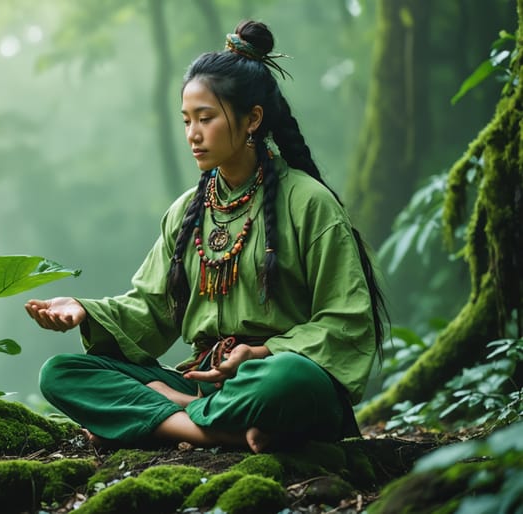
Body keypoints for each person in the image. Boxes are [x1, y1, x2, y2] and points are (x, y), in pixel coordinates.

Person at [25, 20, 387, 454]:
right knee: (61, 373)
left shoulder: (309, 203)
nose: (193, 134)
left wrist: (263, 353)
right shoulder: (185, 212)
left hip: (273, 382)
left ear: (252, 119)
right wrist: (85, 309)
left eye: (206, 118)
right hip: (203, 384)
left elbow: (346, 321)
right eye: (186, 120)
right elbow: (151, 309)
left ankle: (167, 415)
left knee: (288, 379)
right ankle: (213, 430)